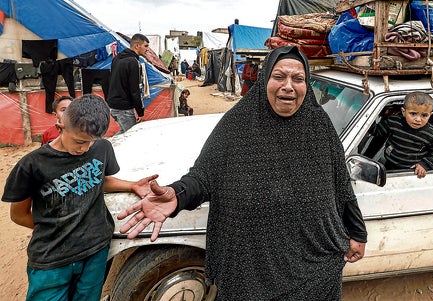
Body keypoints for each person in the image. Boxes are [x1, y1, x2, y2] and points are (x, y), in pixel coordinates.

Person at [117, 46, 367, 300]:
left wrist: (357, 233)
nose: (288, 86)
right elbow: (204, 177)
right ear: (265, 78)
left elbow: (341, 185)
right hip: (250, 270)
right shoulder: (238, 124)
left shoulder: (319, 125)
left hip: (314, 268)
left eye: (298, 79)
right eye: (279, 76)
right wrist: (178, 195)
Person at [2, 94, 158, 301]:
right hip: (52, 258)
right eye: (79, 141)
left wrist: (131, 185)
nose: (84, 148)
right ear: (60, 128)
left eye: (91, 142)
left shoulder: (102, 148)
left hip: (96, 249)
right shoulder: (32, 165)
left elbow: (99, 179)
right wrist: (58, 230)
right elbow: (19, 215)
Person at [372, 92, 433, 178]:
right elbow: (377, 132)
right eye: (413, 114)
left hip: (412, 172)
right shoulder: (393, 122)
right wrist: (368, 117)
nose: (418, 119)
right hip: (389, 164)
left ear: (430, 115)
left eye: (424, 115)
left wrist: (424, 164)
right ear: (403, 112)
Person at [107, 33, 150, 134]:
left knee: (124, 132)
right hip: (123, 108)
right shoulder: (133, 62)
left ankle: (109, 147)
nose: (147, 49)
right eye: (146, 46)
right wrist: (140, 112)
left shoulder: (117, 58)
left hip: (113, 106)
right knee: (132, 135)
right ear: (137, 45)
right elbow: (134, 90)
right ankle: (107, 148)